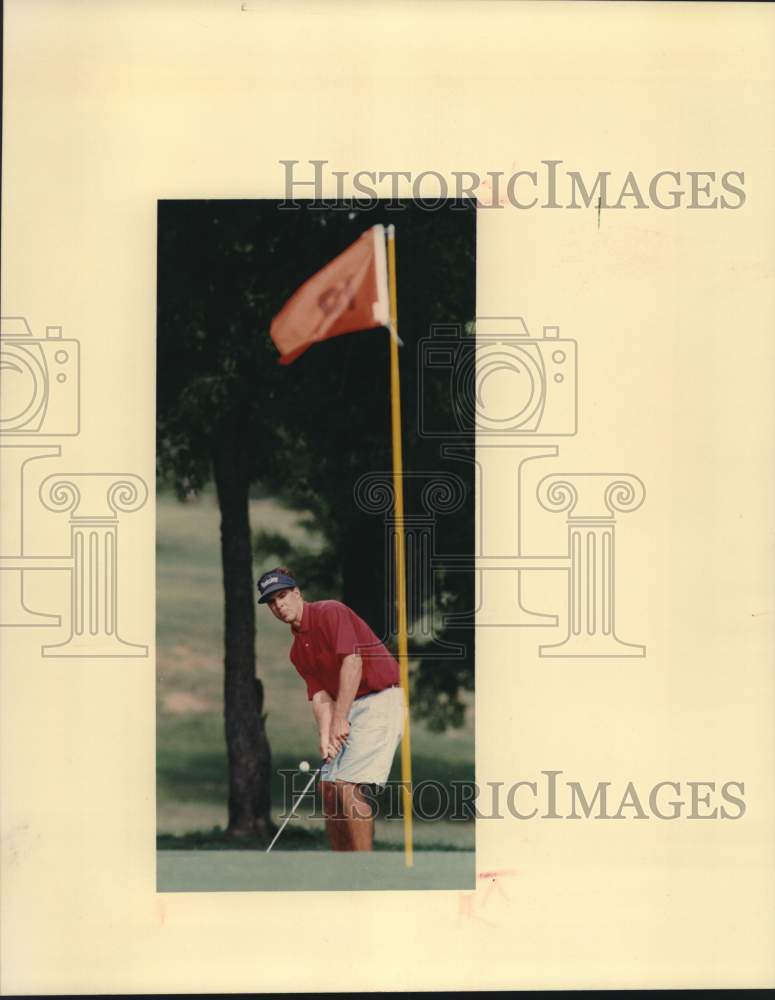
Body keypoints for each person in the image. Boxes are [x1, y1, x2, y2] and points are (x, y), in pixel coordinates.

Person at [257, 567, 404, 851]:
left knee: (347, 784)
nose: (279, 605)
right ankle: (342, 864)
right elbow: (321, 696)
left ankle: (363, 871)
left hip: (380, 698)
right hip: (348, 706)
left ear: (297, 593)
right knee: (328, 788)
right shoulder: (297, 650)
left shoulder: (330, 612)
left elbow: (354, 662)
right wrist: (326, 736)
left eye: (283, 595)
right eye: (272, 602)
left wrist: (339, 720)